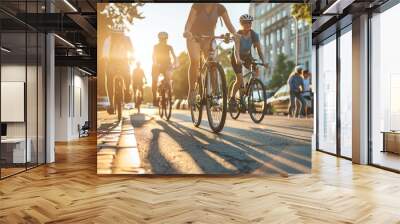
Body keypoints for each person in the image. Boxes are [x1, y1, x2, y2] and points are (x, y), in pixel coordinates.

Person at [183, 3, 242, 105]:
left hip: (209, 38)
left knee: (213, 63)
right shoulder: (197, 5)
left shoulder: (220, 8)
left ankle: (214, 94)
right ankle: (192, 90)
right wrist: (187, 31)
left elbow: (229, 25)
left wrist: (235, 34)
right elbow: (189, 21)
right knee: (195, 60)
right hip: (194, 37)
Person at [229, 14, 268, 107]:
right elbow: (236, 50)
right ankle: (232, 98)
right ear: (241, 24)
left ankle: (247, 87)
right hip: (236, 56)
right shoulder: (238, 34)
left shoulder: (254, 35)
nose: (248, 25)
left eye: (249, 23)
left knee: (255, 69)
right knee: (239, 79)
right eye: (245, 23)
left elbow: (259, 50)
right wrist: (238, 59)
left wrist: (264, 61)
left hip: (247, 56)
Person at [152, 31, 177, 106]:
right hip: (157, 65)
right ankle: (154, 98)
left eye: (165, 39)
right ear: (159, 39)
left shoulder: (169, 47)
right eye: (161, 39)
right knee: (154, 80)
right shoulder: (155, 47)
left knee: (169, 79)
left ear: (167, 39)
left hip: (167, 65)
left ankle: (170, 94)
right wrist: (155, 63)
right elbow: (153, 56)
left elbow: (174, 56)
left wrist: (174, 63)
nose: (163, 40)